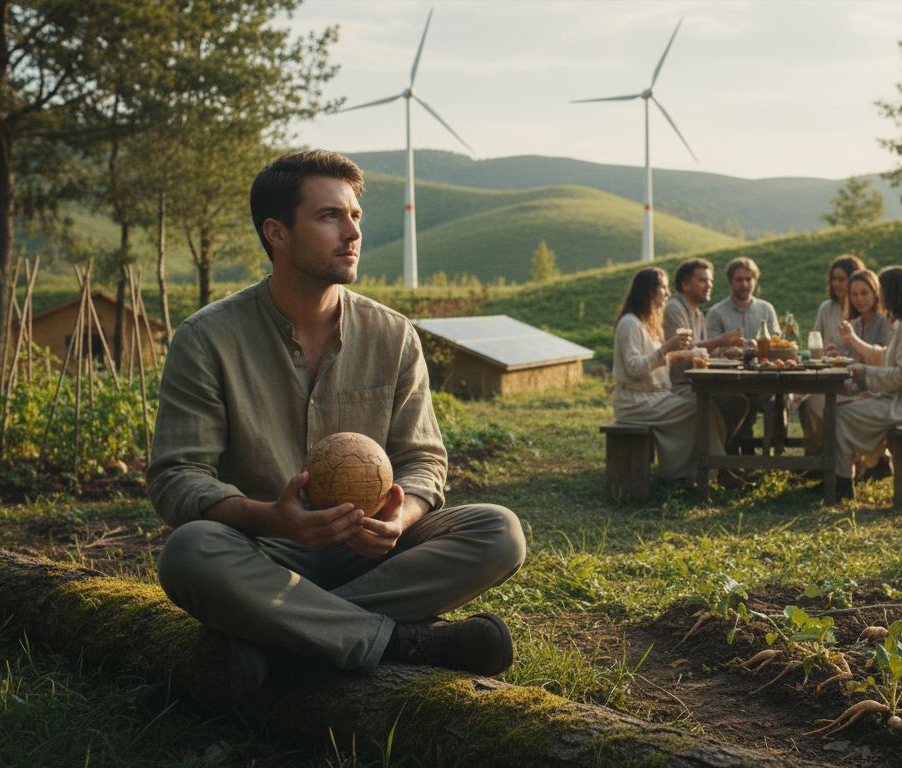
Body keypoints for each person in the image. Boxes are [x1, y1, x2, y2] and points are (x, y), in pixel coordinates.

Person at [147, 150, 526, 697]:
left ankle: (276, 636)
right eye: (330, 216)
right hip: (264, 549)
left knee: (498, 531)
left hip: (372, 552)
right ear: (277, 233)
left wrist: (399, 518)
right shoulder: (207, 339)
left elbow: (423, 460)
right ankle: (400, 641)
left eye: (355, 216)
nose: (353, 233)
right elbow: (177, 476)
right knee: (188, 553)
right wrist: (275, 519)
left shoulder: (393, 335)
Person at [829, 266, 902, 501]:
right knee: (843, 409)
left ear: (892, 293)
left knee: (840, 416)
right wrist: (854, 347)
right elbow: (885, 356)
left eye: (882, 291)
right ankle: (852, 472)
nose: (880, 297)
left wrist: (865, 373)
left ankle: (843, 484)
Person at [612, 268, 730, 482]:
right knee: (701, 408)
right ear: (649, 291)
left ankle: (708, 470)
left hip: (653, 397)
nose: (667, 293)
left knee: (709, 407)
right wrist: (665, 349)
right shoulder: (630, 323)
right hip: (634, 402)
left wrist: (679, 355)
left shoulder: (646, 323)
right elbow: (633, 369)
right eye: (663, 288)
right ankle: (711, 472)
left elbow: (654, 365)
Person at [799, 268, 894, 455]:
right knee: (808, 404)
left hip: (877, 394)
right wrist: (836, 358)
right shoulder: (856, 324)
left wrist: (853, 341)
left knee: (823, 408)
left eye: (864, 293)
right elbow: (851, 360)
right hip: (852, 390)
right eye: (854, 294)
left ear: (876, 294)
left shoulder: (886, 323)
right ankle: (818, 458)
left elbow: (887, 361)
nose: (860, 299)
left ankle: (835, 459)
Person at [662, 259, 749, 445]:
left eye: (710, 281)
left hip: (696, 383)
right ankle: (710, 455)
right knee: (734, 401)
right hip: (677, 386)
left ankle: (717, 453)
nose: (709, 285)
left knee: (740, 399)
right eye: (702, 280)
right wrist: (718, 341)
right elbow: (681, 351)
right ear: (686, 284)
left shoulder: (698, 314)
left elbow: (701, 352)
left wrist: (724, 352)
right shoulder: (674, 308)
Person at [705, 257, 782, 448]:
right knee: (741, 401)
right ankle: (737, 453)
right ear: (730, 281)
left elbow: (777, 344)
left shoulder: (766, 309)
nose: (744, 284)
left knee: (779, 399)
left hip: (764, 380)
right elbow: (711, 350)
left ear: (755, 280)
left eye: (749, 279)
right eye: (739, 280)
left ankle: (774, 449)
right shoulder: (716, 312)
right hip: (730, 382)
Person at [810, 255, 867, 359]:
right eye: (834, 279)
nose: (836, 284)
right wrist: (824, 352)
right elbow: (815, 341)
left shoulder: (862, 309)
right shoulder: (826, 308)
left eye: (841, 279)